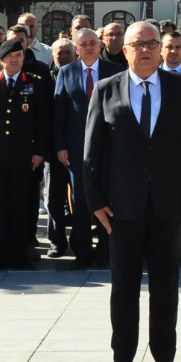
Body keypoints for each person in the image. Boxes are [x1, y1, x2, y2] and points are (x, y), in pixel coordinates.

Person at [84, 20, 181, 362]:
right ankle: (122, 361)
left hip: (169, 207)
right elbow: (92, 151)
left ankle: (165, 361)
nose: (147, 50)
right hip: (122, 207)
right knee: (123, 286)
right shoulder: (106, 90)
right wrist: (95, 201)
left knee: (166, 287)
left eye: (153, 43)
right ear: (125, 49)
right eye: (139, 44)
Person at [52, 28, 122, 268]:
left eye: (94, 43)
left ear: (100, 46)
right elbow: (59, 111)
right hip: (76, 149)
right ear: (76, 49)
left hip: (109, 149)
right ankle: (81, 252)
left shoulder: (115, 71)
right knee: (81, 202)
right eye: (84, 44)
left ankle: (106, 250)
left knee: (108, 200)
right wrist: (60, 146)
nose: (90, 47)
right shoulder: (66, 72)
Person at [0, 37, 50, 270]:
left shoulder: (34, 82)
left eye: (18, 56)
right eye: (10, 57)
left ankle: (20, 254)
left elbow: (43, 120)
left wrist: (40, 151)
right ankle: (2, 254)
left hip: (25, 155)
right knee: (0, 206)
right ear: (1, 60)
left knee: (22, 206)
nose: (15, 60)